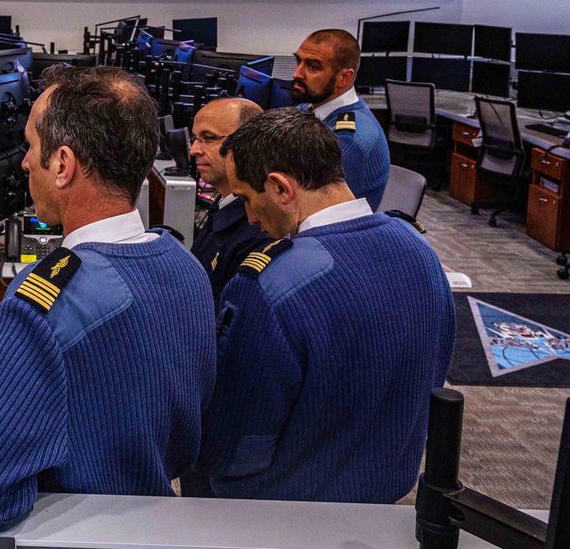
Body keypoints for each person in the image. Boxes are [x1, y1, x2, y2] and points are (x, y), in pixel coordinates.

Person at [0, 65, 216, 533]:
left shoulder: (44, 303)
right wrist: (3, 387)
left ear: (62, 164)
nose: (22, 162)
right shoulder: (186, 268)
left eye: (31, 147)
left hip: (68, 540)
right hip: (152, 528)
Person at [196, 108, 453, 502]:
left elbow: (238, 440)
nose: (248, 216)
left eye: (247, 198)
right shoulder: (420, 249)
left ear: (281, 188)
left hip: (282, 514)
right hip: (387, 500)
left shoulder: (267, 286)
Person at [290, 28, 390, 210]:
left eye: (312, 67)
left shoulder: (349, 139)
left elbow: (312, 206)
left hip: (333, 234)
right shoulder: (309, 108)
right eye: (298, 62)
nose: (297, 74)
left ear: (344, 78)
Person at [188, 97, 269, 302]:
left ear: (246, 143)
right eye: (194, 138)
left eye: (208, 137)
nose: (194, 150)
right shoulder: (225, 205)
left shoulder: (257, 227)